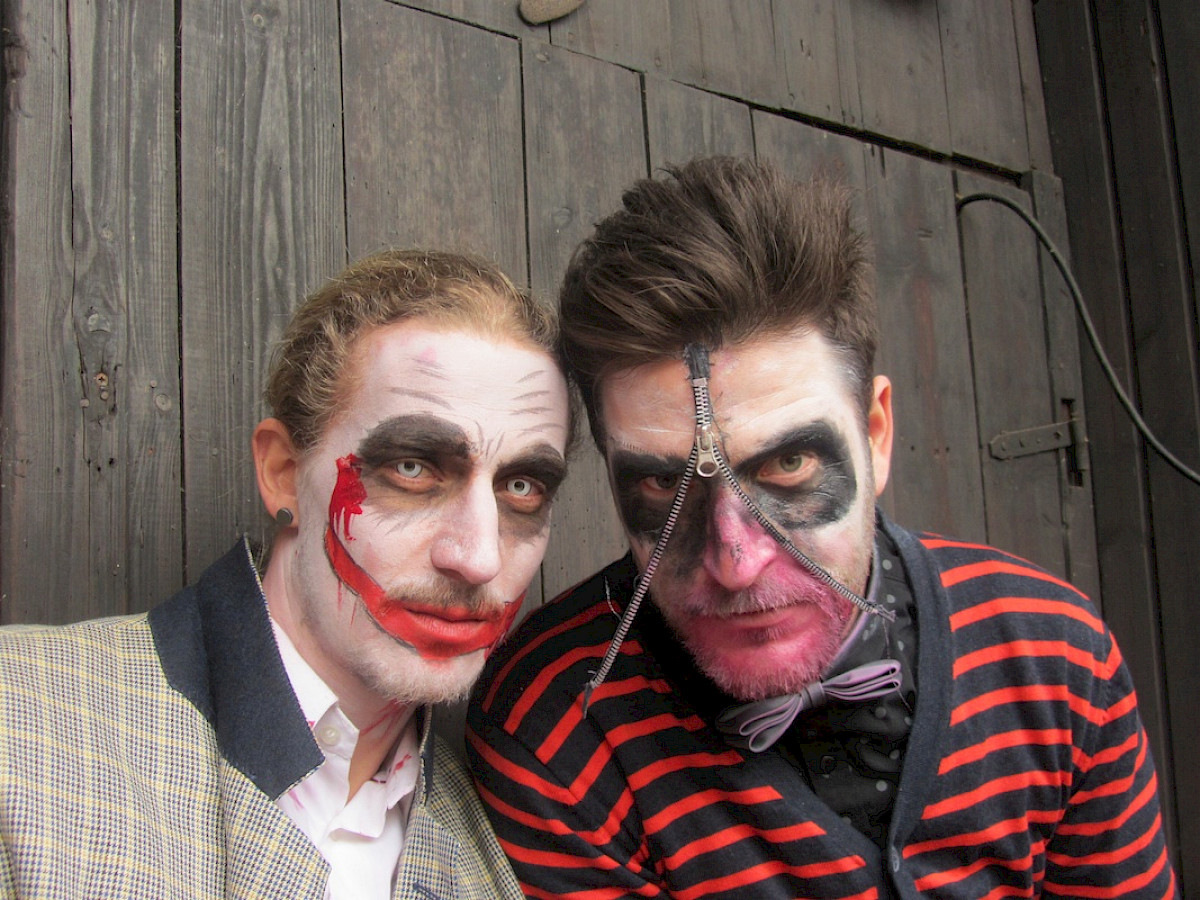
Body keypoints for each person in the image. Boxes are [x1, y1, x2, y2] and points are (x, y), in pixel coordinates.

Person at [467, 158, 1178, 899]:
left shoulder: (1054, 651)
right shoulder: (554, 725)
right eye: (664, 484)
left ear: (876, 434)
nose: (736, 562)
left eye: (790, 462)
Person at [0, 249, 572, 899]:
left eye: (522, 487)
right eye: (412, 468)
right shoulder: (24, 732)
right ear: (283, 474)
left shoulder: (498, 857)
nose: (478, 557)